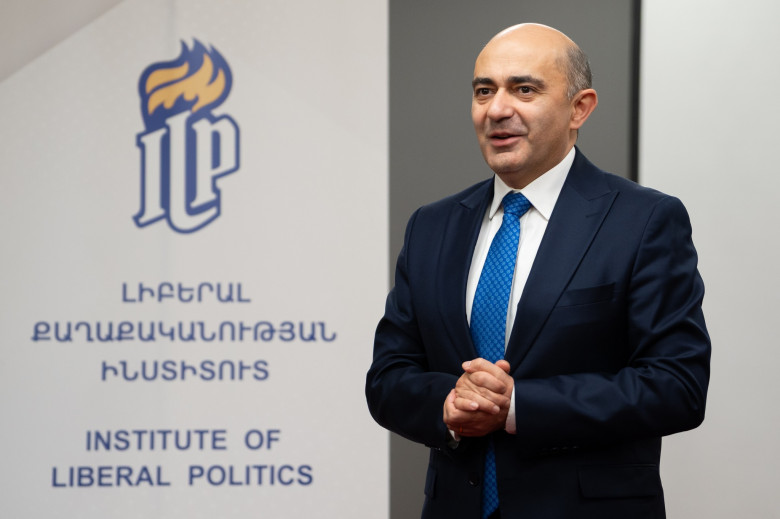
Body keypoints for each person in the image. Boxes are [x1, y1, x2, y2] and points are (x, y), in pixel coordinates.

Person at [365, 23, 710, 519]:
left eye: (524, 89)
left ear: (580, 108)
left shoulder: (644, 220)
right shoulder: (432, 226)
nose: (497, 109)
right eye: (484, 91)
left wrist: (518, 406)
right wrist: (449, 404)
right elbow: (388, 377)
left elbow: (677, 385)